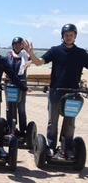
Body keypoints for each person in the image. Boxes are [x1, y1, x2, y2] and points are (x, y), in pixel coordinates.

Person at [22, 24, 88, 158]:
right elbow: (40, 62)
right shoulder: (55, 50)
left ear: (75, 36)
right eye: (66, 34)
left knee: (70, 122)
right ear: (62, 36)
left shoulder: (81, 53)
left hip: (73, 93)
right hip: (56, 91)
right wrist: (30, 53)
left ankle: (67, 147)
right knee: (53, 122)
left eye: (71, 34)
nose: (69, 37)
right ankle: (51, 147)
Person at [5, 37, 31, 138]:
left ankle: (23, 130)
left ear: (22, 45)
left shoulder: (26, 55)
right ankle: (10, 129)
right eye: (15, 44)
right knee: (9, 108)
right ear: (12, 45)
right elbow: (3, 65)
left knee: (21, 108)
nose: (17, 46)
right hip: (9, 84)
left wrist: (31, 60)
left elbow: (37, 60)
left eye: (19, 44)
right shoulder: (8, 55)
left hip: (21, 84)